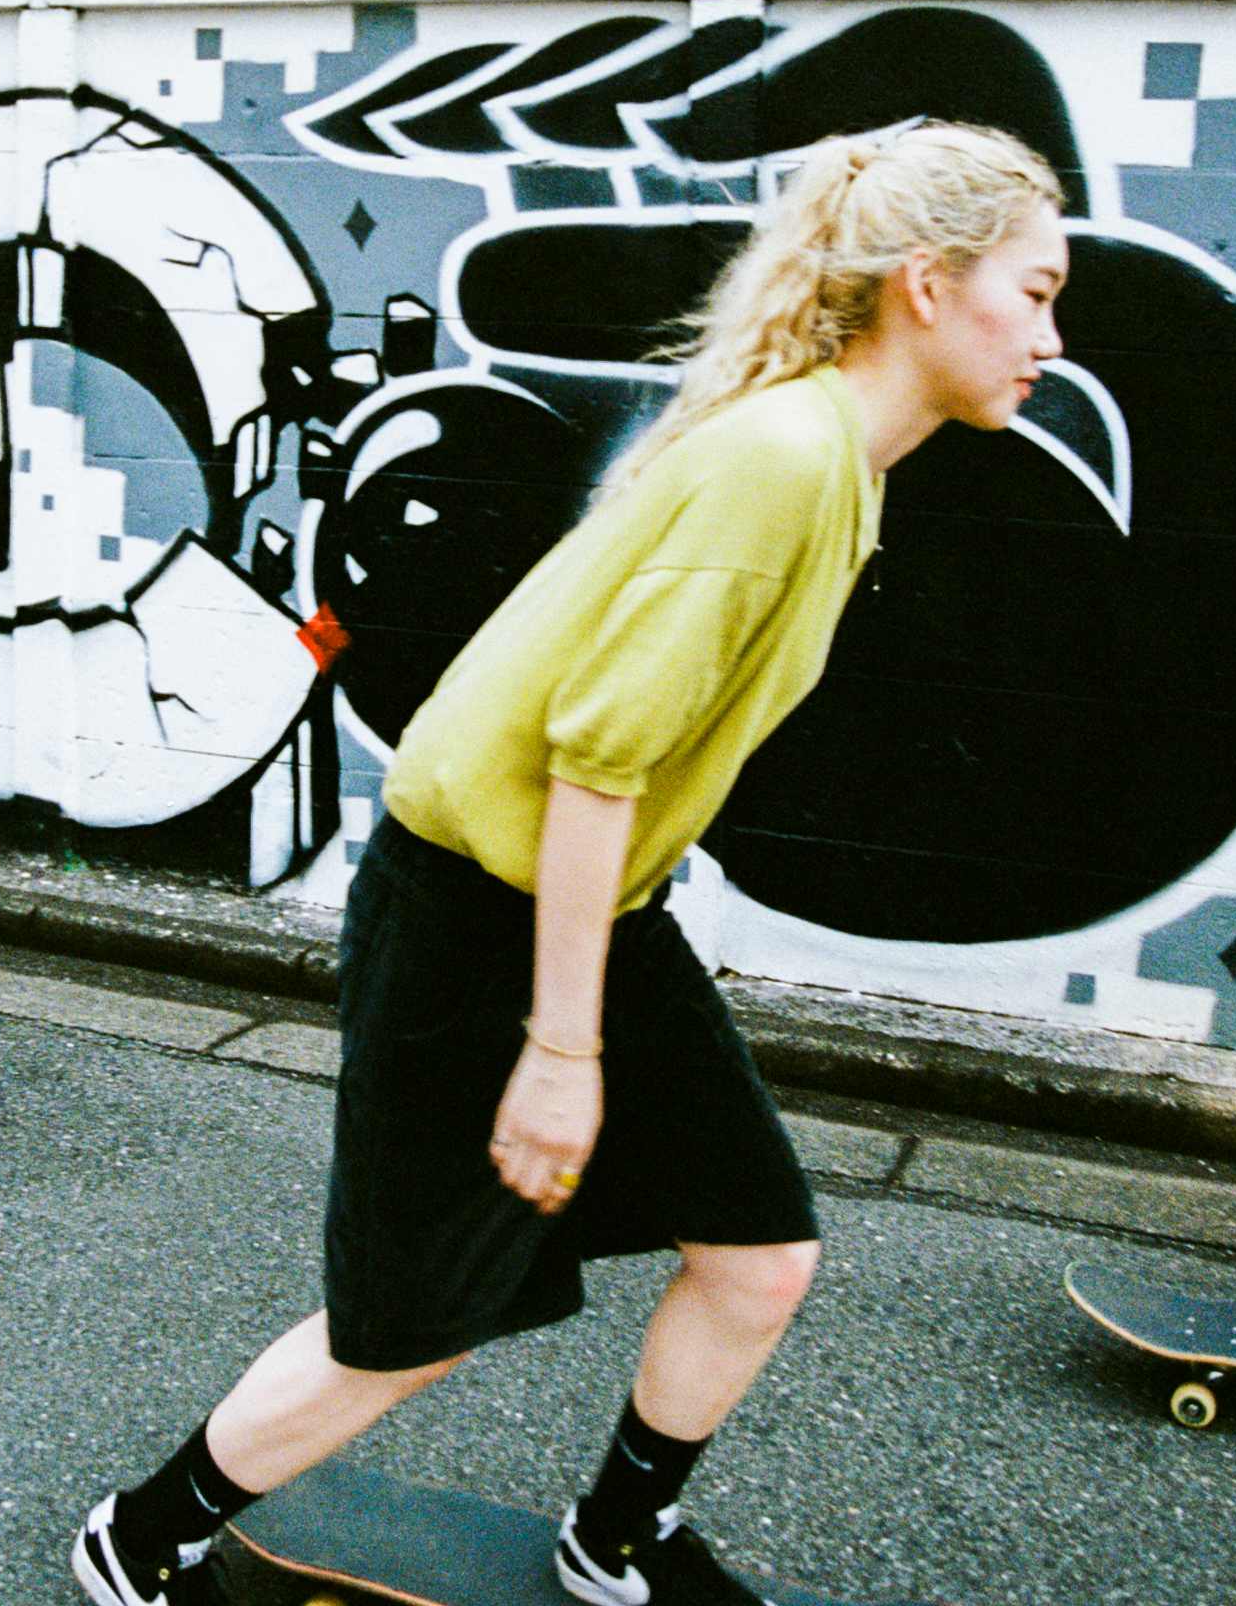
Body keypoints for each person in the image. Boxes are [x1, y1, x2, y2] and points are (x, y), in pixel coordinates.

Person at [72, 125, 1070, 1606]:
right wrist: (561, 1046)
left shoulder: (841, 461)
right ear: (925, 287)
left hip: (591, 902)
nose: (1050, 336)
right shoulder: (786, 462)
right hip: (482, 911)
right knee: (409, 1327)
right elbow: (594, 760)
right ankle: (141, 1539)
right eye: (1036, 292)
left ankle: (617, 1541)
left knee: (756, 1250)